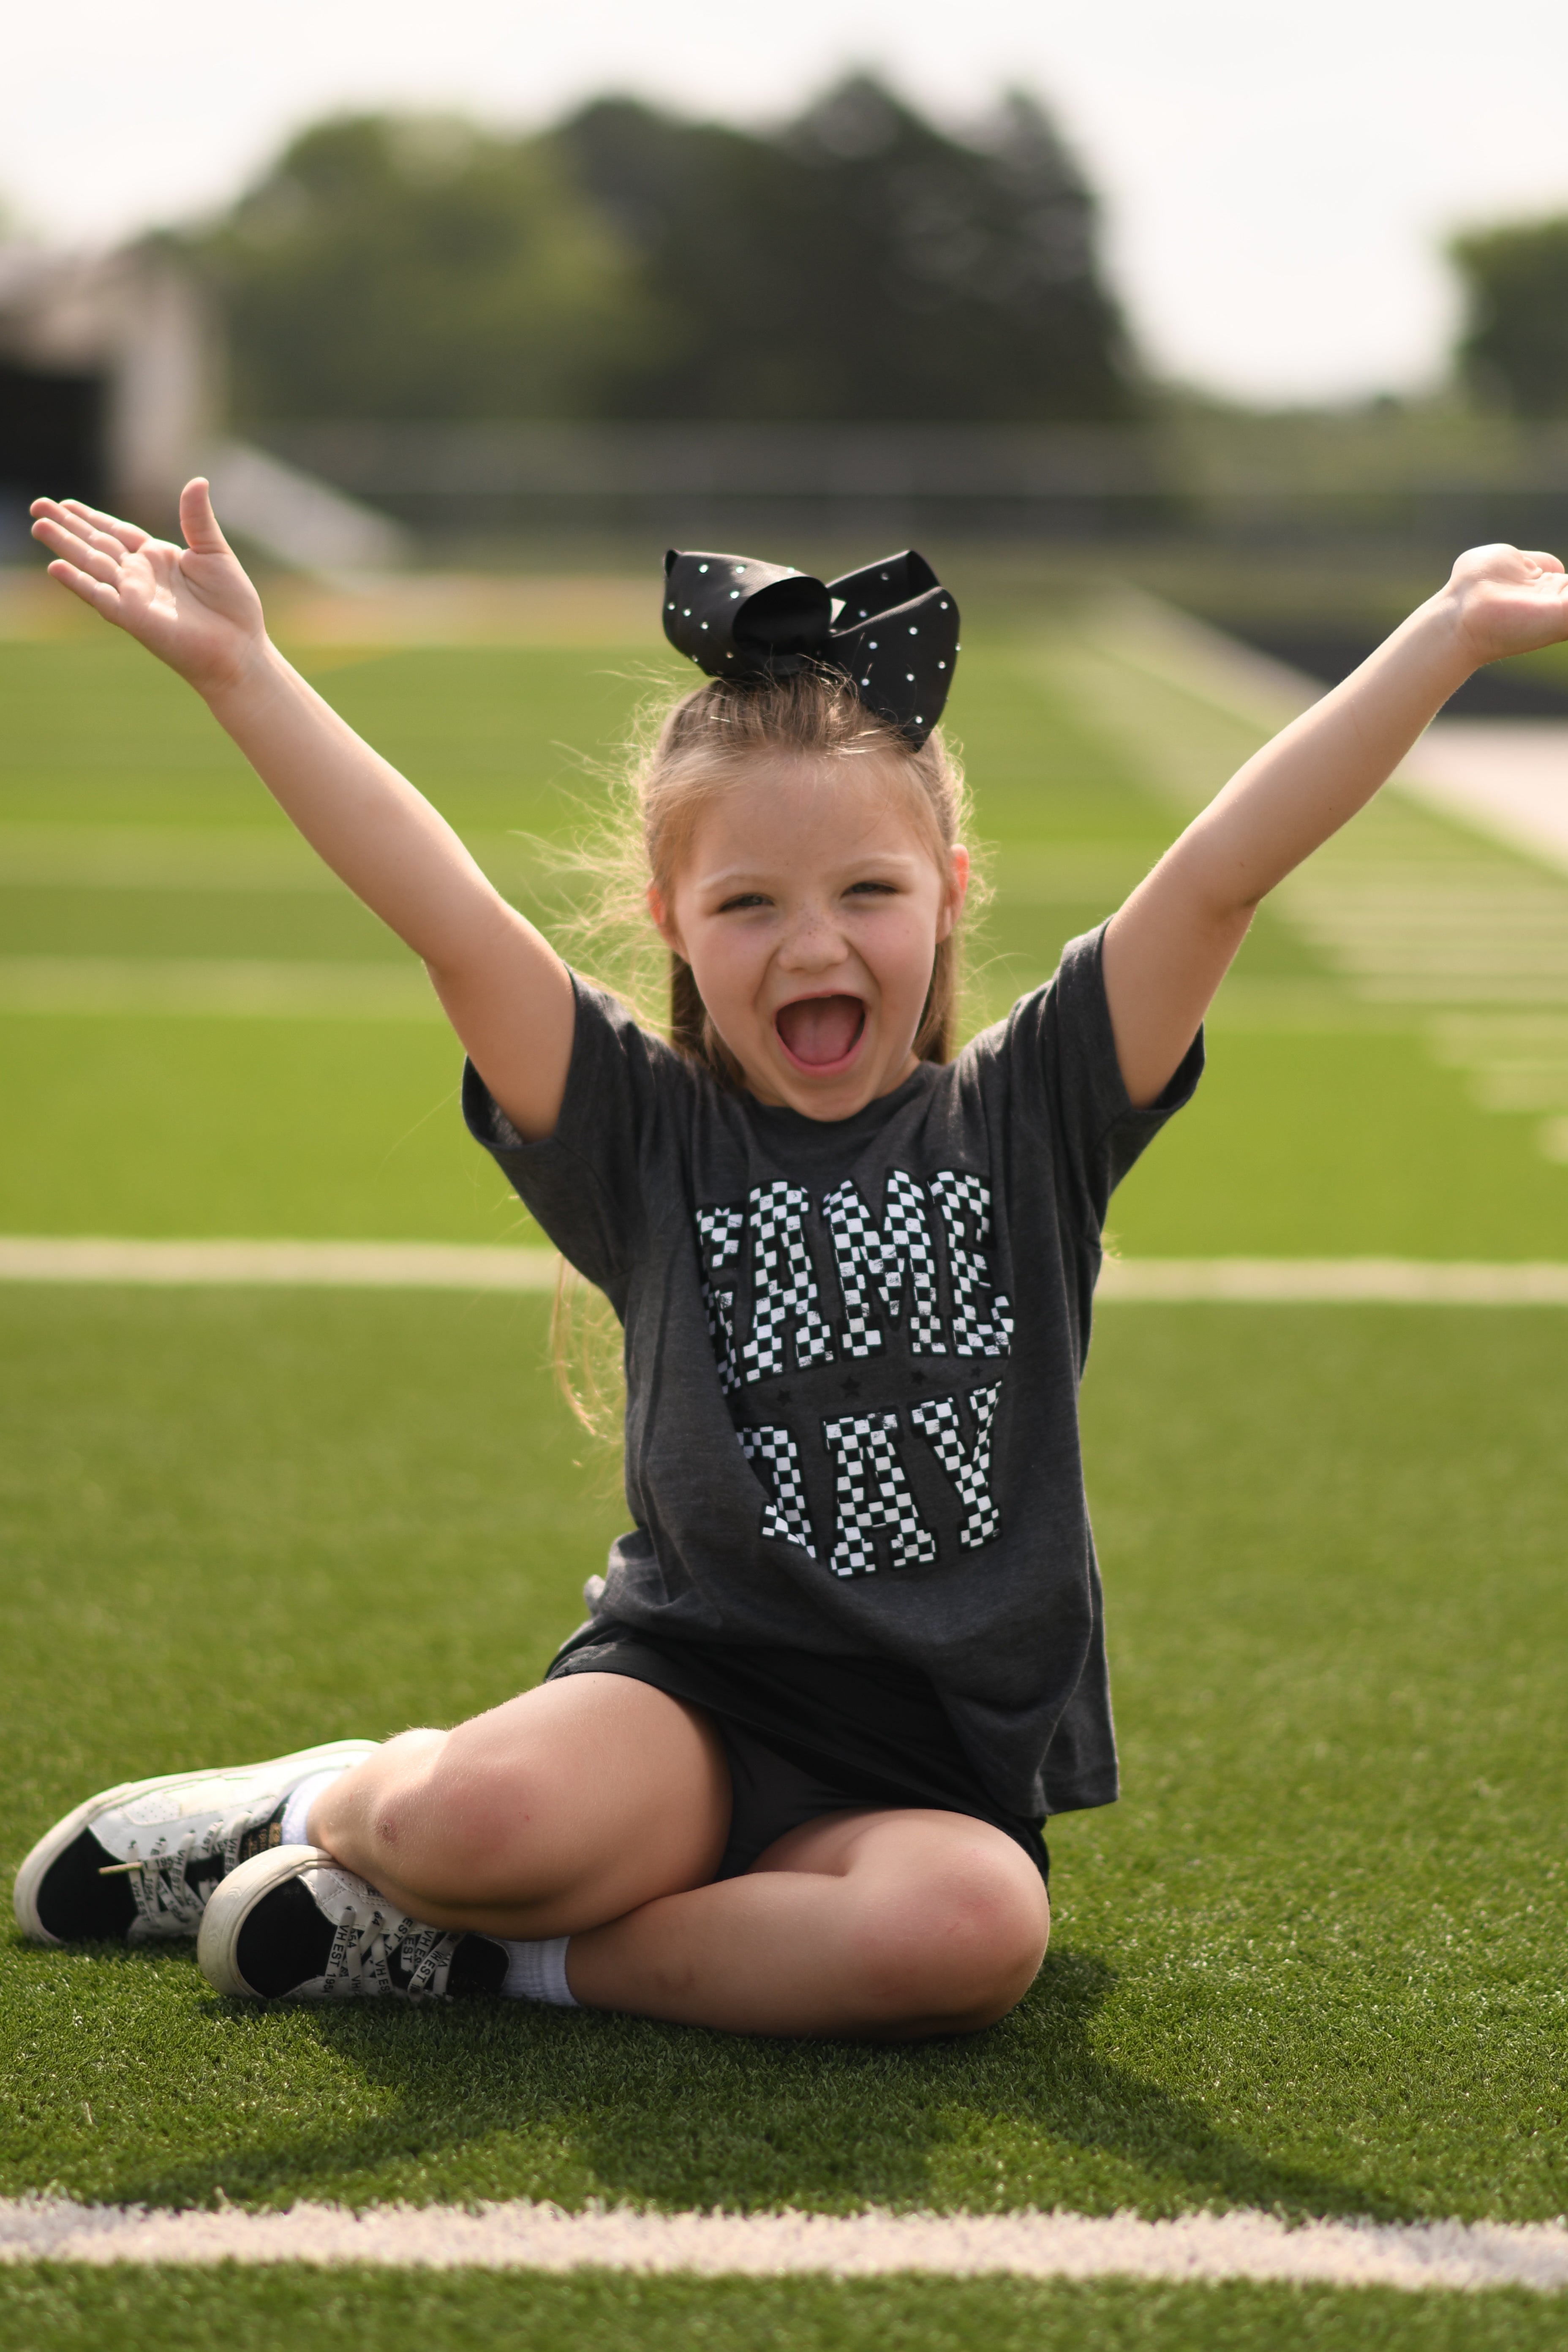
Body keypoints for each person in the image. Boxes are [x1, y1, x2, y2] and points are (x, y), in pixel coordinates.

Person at [14, 485, 1568, 2040]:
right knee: (466, 1828)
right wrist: (244, 671)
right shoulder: (642, 1133)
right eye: (748, 903)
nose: (813, 946)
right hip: (685, 1700)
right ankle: (325, 1807)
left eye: (868, 893)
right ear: (672, 926)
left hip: (927, 1766)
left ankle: (490, 1959)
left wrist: (1446, 637)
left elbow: (1225, 869)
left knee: (969, 1938)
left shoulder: (1035, 1114)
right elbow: (449, 918)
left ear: (950, 896)